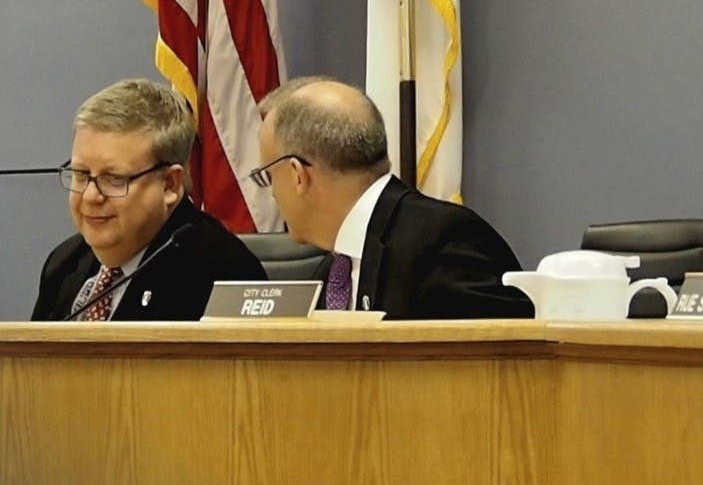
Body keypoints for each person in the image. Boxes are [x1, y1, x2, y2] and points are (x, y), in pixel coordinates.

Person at [253, 77, 532, 319]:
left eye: (268, 176)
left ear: (297, 175)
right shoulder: (333, 271)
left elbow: (504, 369)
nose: (274, 193)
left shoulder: (444, 243)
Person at [32, 79, 266, 321]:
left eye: (114, 179)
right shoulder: (66, 262)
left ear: (170, 185)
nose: (91, 196)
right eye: (81, 175)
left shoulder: (219, 271)